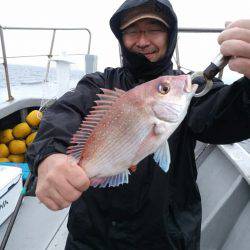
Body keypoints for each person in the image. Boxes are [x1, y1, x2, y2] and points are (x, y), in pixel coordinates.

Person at [26, 0, 250, 249]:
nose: (142, 41)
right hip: (93, 239)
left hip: (164, 239)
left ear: (170, 34)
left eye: (154, 29)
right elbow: (63, 113)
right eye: (132, 30)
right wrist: (49, 157)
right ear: (121, 37)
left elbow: (230, 114)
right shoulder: (98, 84)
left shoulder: (186, 91)